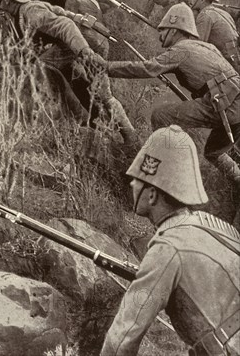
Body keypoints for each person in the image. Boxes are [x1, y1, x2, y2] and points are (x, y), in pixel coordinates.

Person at [100, 124, 240, 356]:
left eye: (137, 180)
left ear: (152, 193)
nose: (132, 184)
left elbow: (119, 341)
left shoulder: (167, 248)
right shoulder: (217, 227)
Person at [103, 3, 240, 184]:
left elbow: (147, 68)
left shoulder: (181, 49)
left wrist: (106, 67)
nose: (159, 35)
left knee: (161, 116)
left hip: (225, 105)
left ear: (175, 30)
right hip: (233, 104)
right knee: (213, 152)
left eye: (163, 30)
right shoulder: (207, 47)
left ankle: (161, 175)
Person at [0, 0, 101, 120]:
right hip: (67, 46)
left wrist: (84, 50)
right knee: (74, 83)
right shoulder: (21, 13)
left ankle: (78, 118)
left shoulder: (31, 12)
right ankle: (94, 119)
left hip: (72, 44)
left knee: (41, 71)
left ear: (8, 0)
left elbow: (65, 25)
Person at [187, 0, 239, 72]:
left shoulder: (205, 15)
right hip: (234, 58)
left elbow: (197, 47)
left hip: (226, 63)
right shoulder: (223, 13)